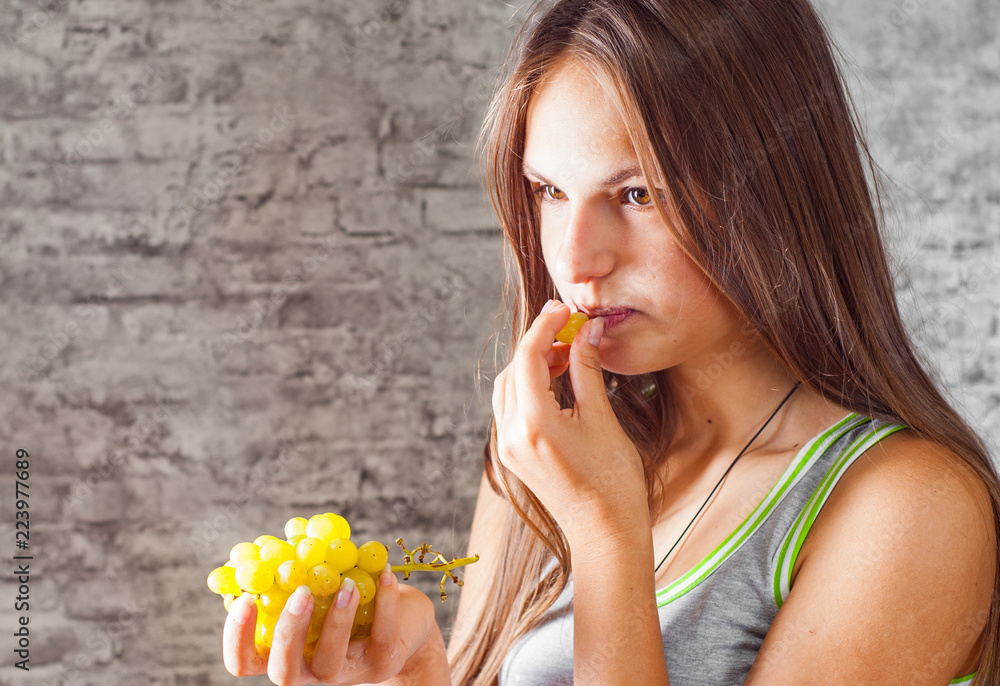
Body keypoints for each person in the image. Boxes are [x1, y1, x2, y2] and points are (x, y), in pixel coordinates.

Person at [221, 0, 1000, 684]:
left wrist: (603, 530)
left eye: (637, 195)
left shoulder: (911, 510)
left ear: (773, 193)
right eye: (550, 192)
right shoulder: (548, 455)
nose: (577, 259)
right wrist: (417, 676)